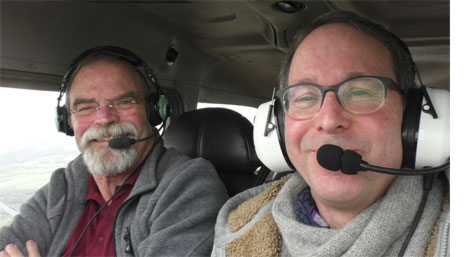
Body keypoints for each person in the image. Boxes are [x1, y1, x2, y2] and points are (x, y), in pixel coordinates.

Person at [212, 11, 449, 257]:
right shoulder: (236, 235)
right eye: (305, 97)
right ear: (278, 127)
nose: (329, 120)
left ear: (413, 116)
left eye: (360, 92)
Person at [0, 46, 229, 257]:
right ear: (67, 122)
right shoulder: (62, 188)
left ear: (153, 112)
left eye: (124, 102)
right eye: (86, 107)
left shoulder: (189, 185)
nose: (104, 119)